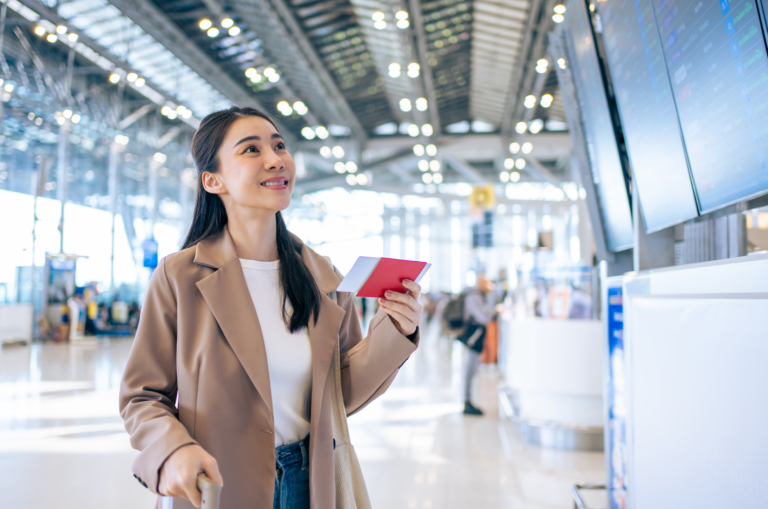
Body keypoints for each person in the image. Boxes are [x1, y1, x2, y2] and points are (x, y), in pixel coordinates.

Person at [119, 106, 423, 509]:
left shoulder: (323, 278)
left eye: (279, 145)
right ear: (213, 180)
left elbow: (338, 394)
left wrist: (394, 332)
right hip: (217, 483)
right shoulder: (180, 277)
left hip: (309, 481)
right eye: (251, 150)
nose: (275, 158)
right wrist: (173, 449)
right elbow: (142, 396)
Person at [459, 275, 498, 416]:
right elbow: (484, 317)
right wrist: (493, 311)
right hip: (473, 337)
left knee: (471, 369)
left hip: (474, 336)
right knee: (470, 370)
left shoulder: (475, 295)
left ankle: (468, 400)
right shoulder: (473, 297)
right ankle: (467, 401)